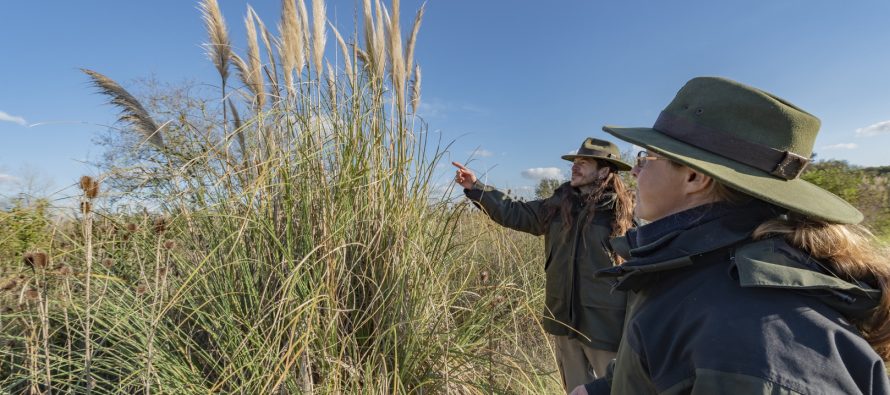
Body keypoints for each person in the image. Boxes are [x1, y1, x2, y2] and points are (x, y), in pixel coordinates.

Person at [574, 77, 890, 394]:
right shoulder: (695, 264)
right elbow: (670, 367)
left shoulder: (756, 328)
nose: (637, 170)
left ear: (694, 177)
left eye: (646, 158)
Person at [452, 138, 635, 392]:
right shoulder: (558, 206)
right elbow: (515, 212)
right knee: (575, 390)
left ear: (604, 171)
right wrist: (476, 188)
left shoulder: (622, 213)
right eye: (575, 162)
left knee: (616, 389)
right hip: (564, 321)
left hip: (605, 327)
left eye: (584, 162)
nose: (575, 166)